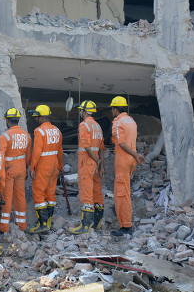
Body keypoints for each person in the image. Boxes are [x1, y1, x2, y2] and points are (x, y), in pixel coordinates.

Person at [110, 96, 145, 236]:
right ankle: (119, 209)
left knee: (121, 192)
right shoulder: (131, 121)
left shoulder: (118, 123)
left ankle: (125, 226)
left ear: (115, 109)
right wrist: (135, 155)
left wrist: (136, 155)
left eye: (112, 109)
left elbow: (121, 143)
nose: (112, 112)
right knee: (125, 189)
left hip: (124, 158)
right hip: (131, 159)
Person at [69, 101, 106, 234]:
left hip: (87, 162)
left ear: (84, 111)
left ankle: (85, 225)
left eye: (80, 110)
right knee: (97, 191)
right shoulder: (97, 126)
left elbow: (86, 146)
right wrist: (100, 165)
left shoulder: (84, 125)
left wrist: (96, 160)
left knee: (86, 193)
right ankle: (97, 222)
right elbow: (102, 148)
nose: (79, 112)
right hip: (96, 164)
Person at [29, 105, 63, 234]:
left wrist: (32, 167)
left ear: (41, 117)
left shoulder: (39, 131)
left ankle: (42, 224)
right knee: (50, 193)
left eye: (37, 117)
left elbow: (37, 151)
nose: (36, 119)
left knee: (38, 192)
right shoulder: (57, 131)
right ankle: (48, 222)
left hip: (43, 165)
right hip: (54, 165)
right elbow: (60, 151)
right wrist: (60, 165)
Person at [0, 108, 32, 232]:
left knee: (7, 197)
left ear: (7, 121)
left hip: (8, 170)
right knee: (20, 196)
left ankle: (4, 226)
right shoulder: (26, 135)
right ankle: (22, 225)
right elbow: (28, 156)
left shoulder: (5, 136)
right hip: (21, 170)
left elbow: (0, 156)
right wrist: (26, 167)